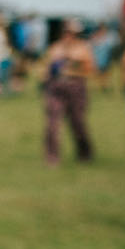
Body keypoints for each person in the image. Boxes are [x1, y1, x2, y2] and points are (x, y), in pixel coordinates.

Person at [41, 19, 95, 165]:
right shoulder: (55, 48)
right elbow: (46, 70)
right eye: (67, 32)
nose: (69, 36)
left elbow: (89, 69)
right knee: (53, 124)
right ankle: (52, 157)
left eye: (72, 33)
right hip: (56, 87)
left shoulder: (83, 48)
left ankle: (85, 152)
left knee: (78, 123)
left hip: (75, 87)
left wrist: (73, 62)